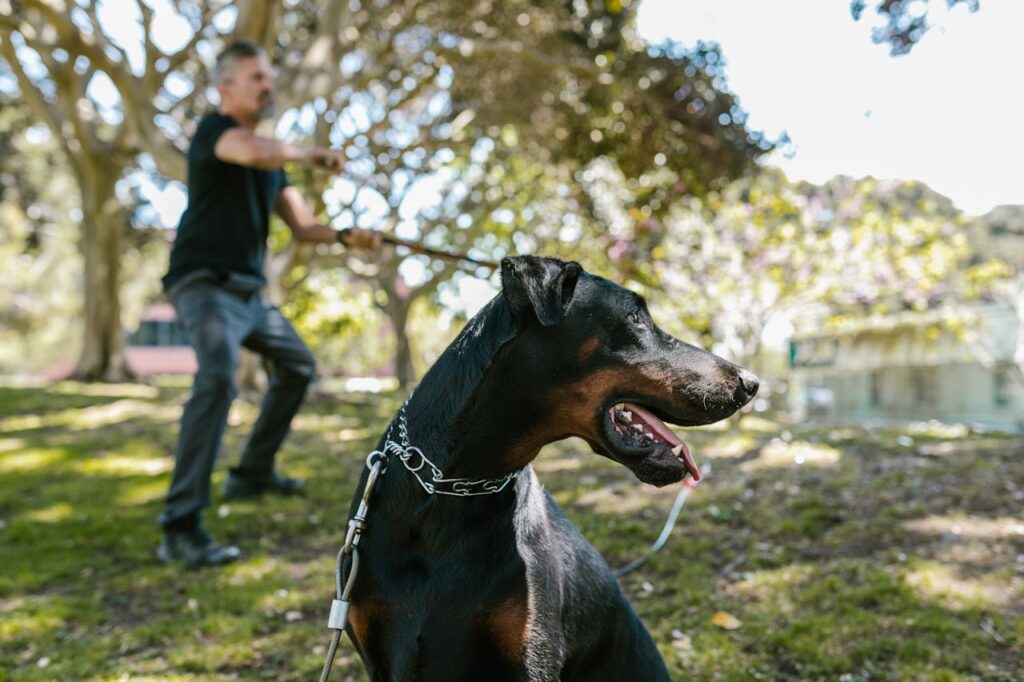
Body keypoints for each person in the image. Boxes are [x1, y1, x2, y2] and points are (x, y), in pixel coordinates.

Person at [157, 40, 381, 568]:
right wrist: (309, 152)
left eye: (269, 78)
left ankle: (252, 473)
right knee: (217, 379)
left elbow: (302, 228)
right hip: (203, 282)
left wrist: (349, 235)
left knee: (299, 366)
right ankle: (180, 525)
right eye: (256, 77)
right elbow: (254, 151)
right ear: (226, 87)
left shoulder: (270, 161)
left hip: (249, 294)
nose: (267, 86)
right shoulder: (217, 133)